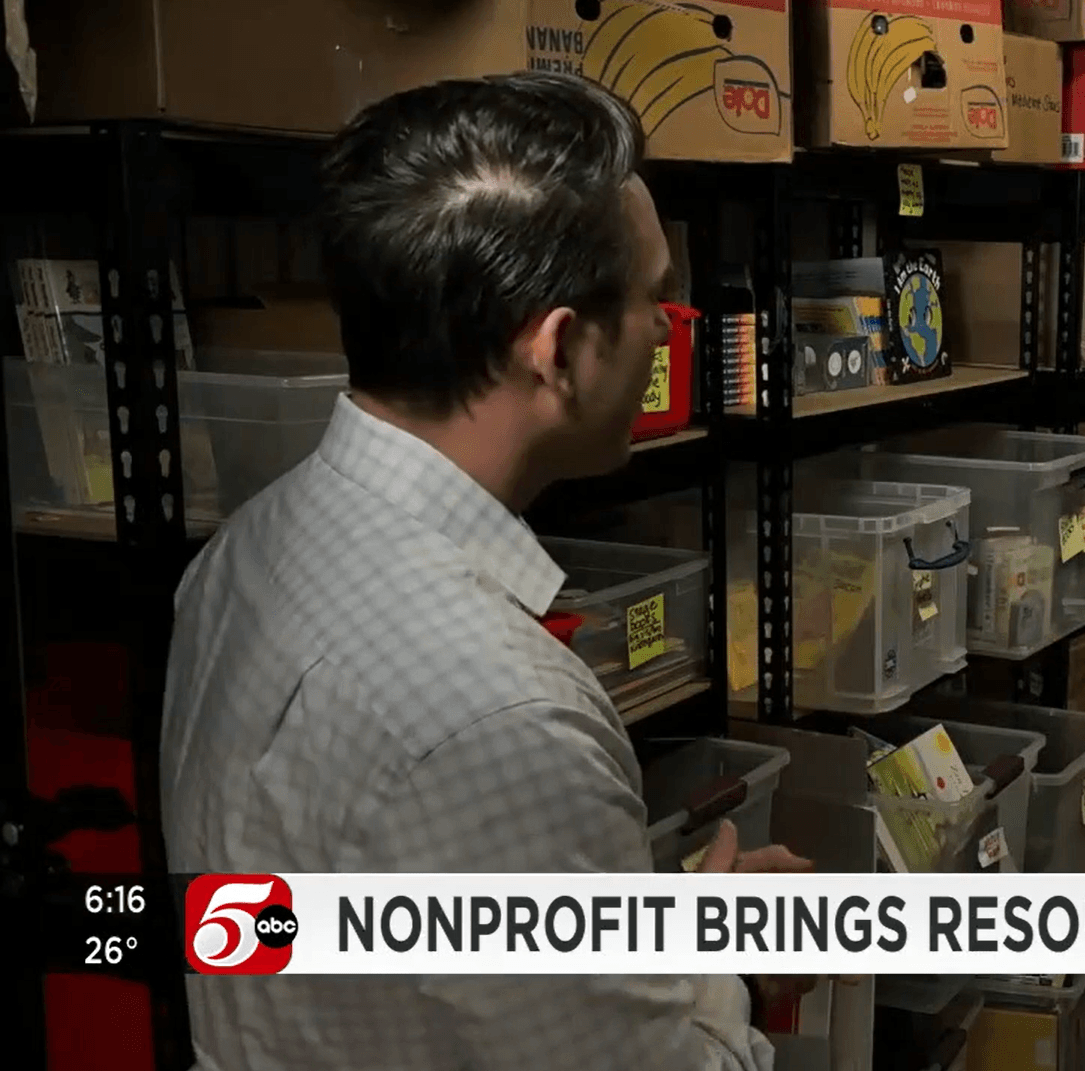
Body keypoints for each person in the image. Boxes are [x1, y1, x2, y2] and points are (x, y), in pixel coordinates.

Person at [160, 72, 809, 1071]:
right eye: (649, 296)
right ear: (557, 349)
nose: (660, 327)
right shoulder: (501, 717)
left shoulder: (243, 554)